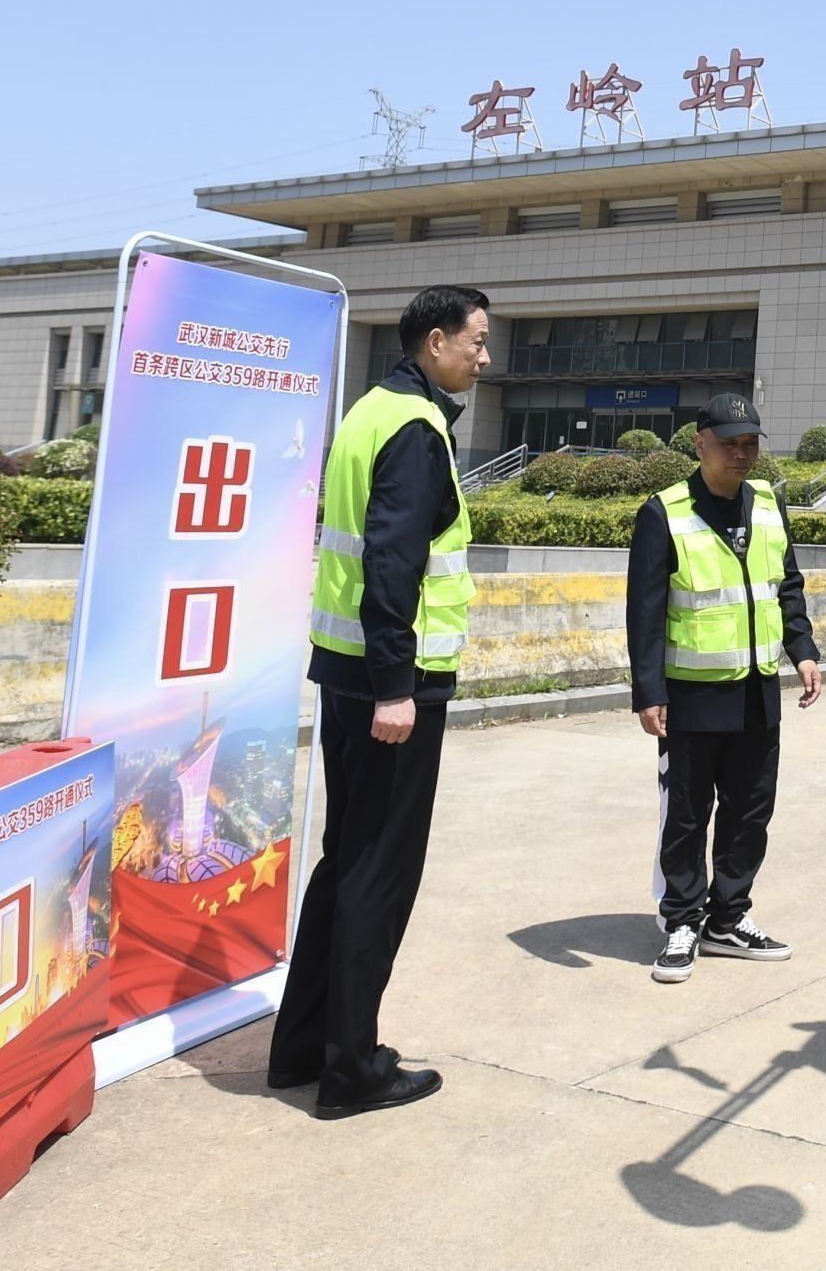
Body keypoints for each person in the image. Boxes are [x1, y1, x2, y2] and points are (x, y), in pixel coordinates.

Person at [268, 283, 489, 1118]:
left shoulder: (369, 411)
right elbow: (393, 564)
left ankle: (303, 1046)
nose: (484, 356)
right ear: (436, 341)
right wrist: (398, 685)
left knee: (346, 860)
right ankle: (353, 1069)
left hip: (347, 672)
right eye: (476, 339)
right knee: (378, 873)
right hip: (392, 684)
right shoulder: (417, 427)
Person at [628, 392, 822, 983]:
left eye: (750, 444)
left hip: (758, 689)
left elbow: (787, 585)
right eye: (729, 443)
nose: (741, 454)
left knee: (749, 811)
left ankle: (728, 918)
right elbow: (645, 611)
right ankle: (683, 920)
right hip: (691, 694)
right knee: (687, 815)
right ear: (699, 444)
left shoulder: (767, 504)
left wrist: (803, 651)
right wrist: (648, 691)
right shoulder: (664, 513)